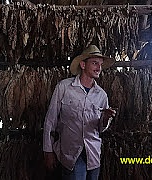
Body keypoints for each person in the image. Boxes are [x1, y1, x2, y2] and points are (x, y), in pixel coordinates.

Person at [43, 45, 116, 180]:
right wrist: (48, 151)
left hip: (92, 155)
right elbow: (50, 120)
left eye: (100, 64)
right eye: (94, 63)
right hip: (70, 154)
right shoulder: (64, 87)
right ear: (83, 64)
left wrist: (105, 118)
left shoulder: (101, 95)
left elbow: (100, 129)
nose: (99, 68)